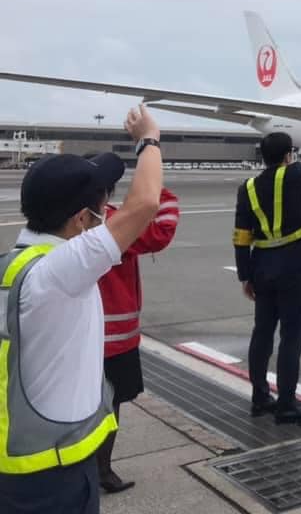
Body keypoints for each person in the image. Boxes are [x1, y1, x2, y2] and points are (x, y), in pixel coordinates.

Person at [0, 105, 163, 514]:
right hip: (50, 474)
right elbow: (145, 203)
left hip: (26, 461)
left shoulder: (16, 265)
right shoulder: (60, 271)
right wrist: (149, 139)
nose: (108, 214)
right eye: (103, 207)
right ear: (80, 220)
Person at [233, 88, 301, 424]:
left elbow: (241, 236)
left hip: (261, 267)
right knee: (291, 336)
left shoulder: (247, 188)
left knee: (262, 333)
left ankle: (259, 398)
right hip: (292, 266)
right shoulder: (295, 176)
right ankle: (286, 403)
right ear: (288, 155)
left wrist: (245, 275)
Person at [96, 178, 180, 493]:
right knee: (111, 403)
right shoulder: (114, 222)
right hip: (113, 336)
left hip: (81, 334)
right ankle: (103, 469)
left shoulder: (65, 220)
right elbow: (161, 231)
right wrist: (157, 187)